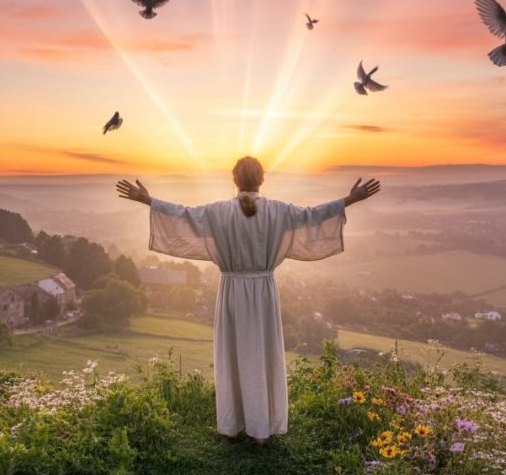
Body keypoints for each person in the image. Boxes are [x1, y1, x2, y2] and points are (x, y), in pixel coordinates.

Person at [116, 156, 380, 444]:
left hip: (232, 291)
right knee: (262, 356)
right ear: (262, 180)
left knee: (231, 355)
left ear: (235, 180)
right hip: (263, 292)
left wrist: (148, 200)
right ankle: (260, 430)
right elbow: (313, 216)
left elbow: (184, 216)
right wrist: (349, 200)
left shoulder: (218, 212)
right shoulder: (279, 211)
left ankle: (232, 426)